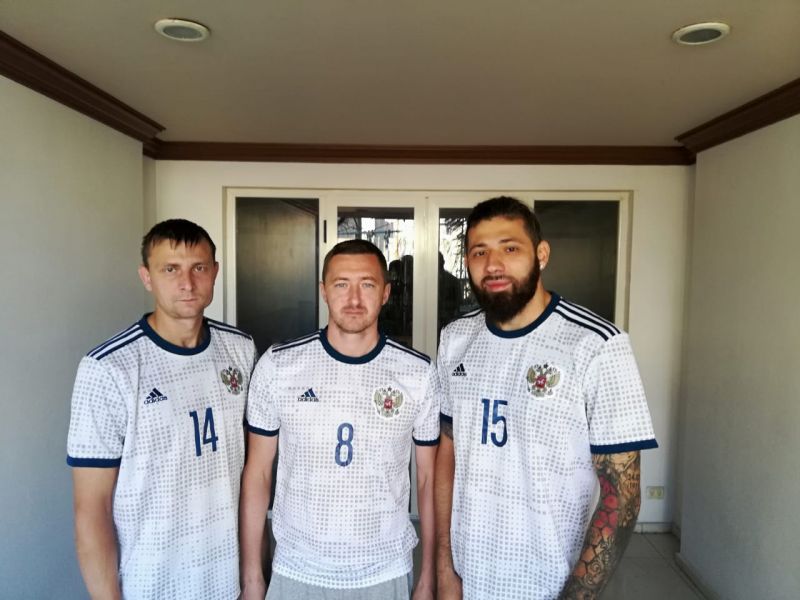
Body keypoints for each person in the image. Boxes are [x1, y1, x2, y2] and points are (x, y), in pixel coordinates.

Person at [434, 197, 658, 600]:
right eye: (479, 252)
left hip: (550, 582)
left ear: (541, 254)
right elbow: (447, 453)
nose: (493, 264)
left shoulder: (597, 345)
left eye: (510, 248)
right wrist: (445, 567)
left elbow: (621, 496)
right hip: (469, 574)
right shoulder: (455, 339)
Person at [66, 219, 257, 599]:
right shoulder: (108, 368)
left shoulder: (240, 349)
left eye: (198, 267)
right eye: (170, 269)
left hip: (225, 580)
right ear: (146, 277)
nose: (187, 283)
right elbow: (91, 509)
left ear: (215, 272)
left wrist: (251, 578)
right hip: (150, 584)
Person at [240, 239, 439, 600]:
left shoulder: (418, 373)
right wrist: (252, 578)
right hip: (298, 567)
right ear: (323, 291)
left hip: (385, 570)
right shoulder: (279, 366)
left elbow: (427, 480)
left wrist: (428, 577)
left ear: (386, 293)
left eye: (368, 284)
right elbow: (258, 473)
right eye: (341, 284)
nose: (354, 299)